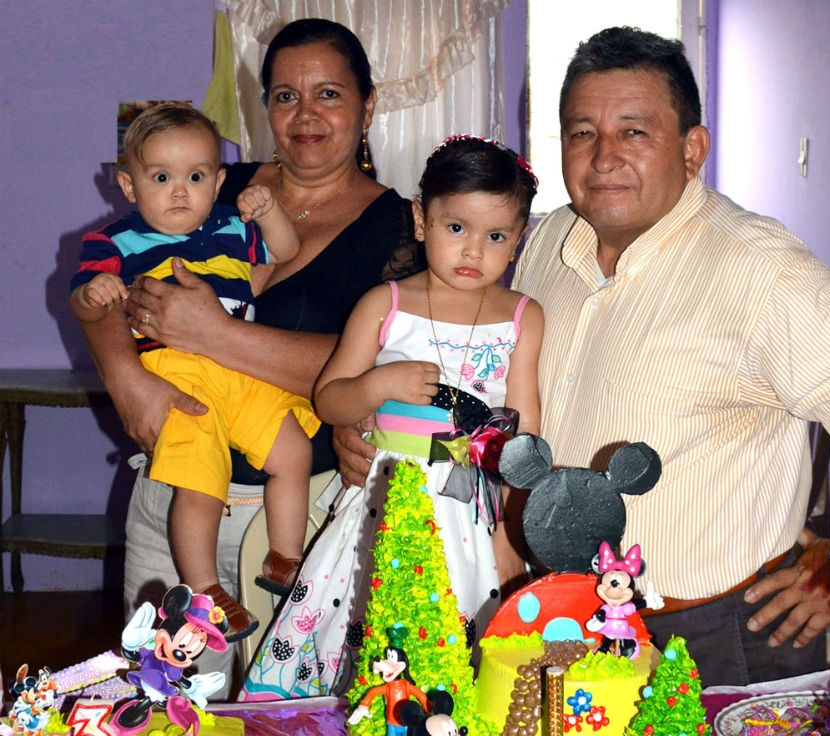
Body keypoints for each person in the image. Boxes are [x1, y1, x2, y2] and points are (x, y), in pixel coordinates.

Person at [338, 27, 830, 687]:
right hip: (558, 619)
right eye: (582, 132)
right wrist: (366, 421)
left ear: (693, 149)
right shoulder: (546, 240)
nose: (603, 157)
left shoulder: (764, 272)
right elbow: (467, 375)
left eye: (634, 132)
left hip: (714, 635)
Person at [78, 18, 423, 690]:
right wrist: (126, 378)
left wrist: (215, 334)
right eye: (286, 96)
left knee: (282, 711)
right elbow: (104, 288)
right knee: (167, 701)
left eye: (329, 94)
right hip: (173, 493)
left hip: (299, 514)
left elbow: (373, 370)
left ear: (368, 104)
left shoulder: (400, 228)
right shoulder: (210, 184)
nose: (305, 114)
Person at [240, 135, 543, 699]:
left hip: (471, 514)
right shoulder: (386, 303)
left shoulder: (523, 315)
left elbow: (523, 435)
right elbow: (330, 400)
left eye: (496, 236)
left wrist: (509, 535)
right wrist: (377, 386)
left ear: (519, 238)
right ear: (422, 221)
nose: (473, 251)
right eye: (457, 228)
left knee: (459, 653)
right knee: (361, 630)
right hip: (383, 498)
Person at [71, 103, 320, 642]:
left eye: (196, 177)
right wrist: (95, 293)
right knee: (203, 481)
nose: (180, 191)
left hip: (240, 368)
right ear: (129, 185)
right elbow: (84, 301)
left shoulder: (232, 225)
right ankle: (206, 588)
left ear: (219, 181)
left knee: (292, 450)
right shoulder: (115, 241)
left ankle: (285, 557)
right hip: (176, 374)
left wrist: (268, 212)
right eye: (161, 178)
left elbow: (284, 252)